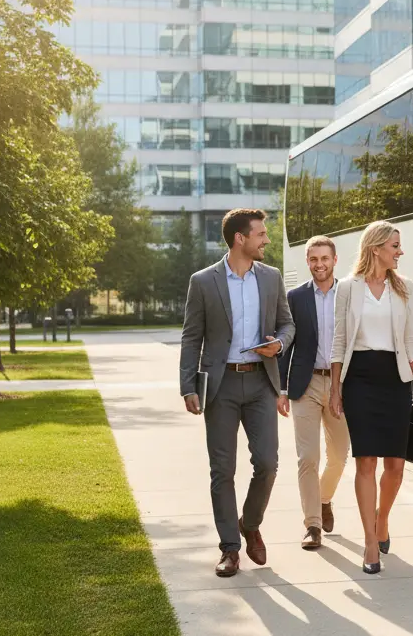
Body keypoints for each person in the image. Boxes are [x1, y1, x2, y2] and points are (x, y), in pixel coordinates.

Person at [179, 208, 295, 578]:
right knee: (222, 470)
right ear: (239, 239)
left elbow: (287, 323)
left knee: (267, 463)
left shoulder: (271, 277)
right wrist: (188, 385)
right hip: (221, 386)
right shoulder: (203, 281)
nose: (266, 240)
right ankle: (230, 548)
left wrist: (278, 343)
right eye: (260, 234)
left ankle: (250, 522)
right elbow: (191, 336)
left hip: (261, 382)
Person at [329, 221, 413, 574]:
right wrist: (335, 387)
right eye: (395, 246)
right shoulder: (348, 288)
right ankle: (370, 541)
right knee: (366, 462)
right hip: (360, 380)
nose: (400, 252)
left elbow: (411, 339)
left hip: (395, 378)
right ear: (376, 249)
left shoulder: (405, 288)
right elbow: (339, 341)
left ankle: (382, 518)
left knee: (397, 466)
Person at [279, 236, 350, 551]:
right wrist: (280, 388)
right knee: (307, 457)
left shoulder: (349, 293)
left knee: (338, 456)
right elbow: (285, 345)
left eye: (324, 258)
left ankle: (324, 499)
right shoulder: (295, 297)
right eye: (313, 259)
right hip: (304, 386)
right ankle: (312, 525)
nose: (319, 264)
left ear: (335, 260)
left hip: (341, 386)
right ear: (307, 262)